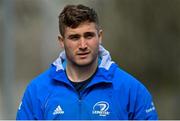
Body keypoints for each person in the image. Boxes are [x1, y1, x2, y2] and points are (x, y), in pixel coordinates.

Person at [16, 4, 158, 120]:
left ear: (100, 36)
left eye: (89, 35)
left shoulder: (131, 90)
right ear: (61, 41)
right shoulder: (37, 91)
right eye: (74, 37)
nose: (83, 45)